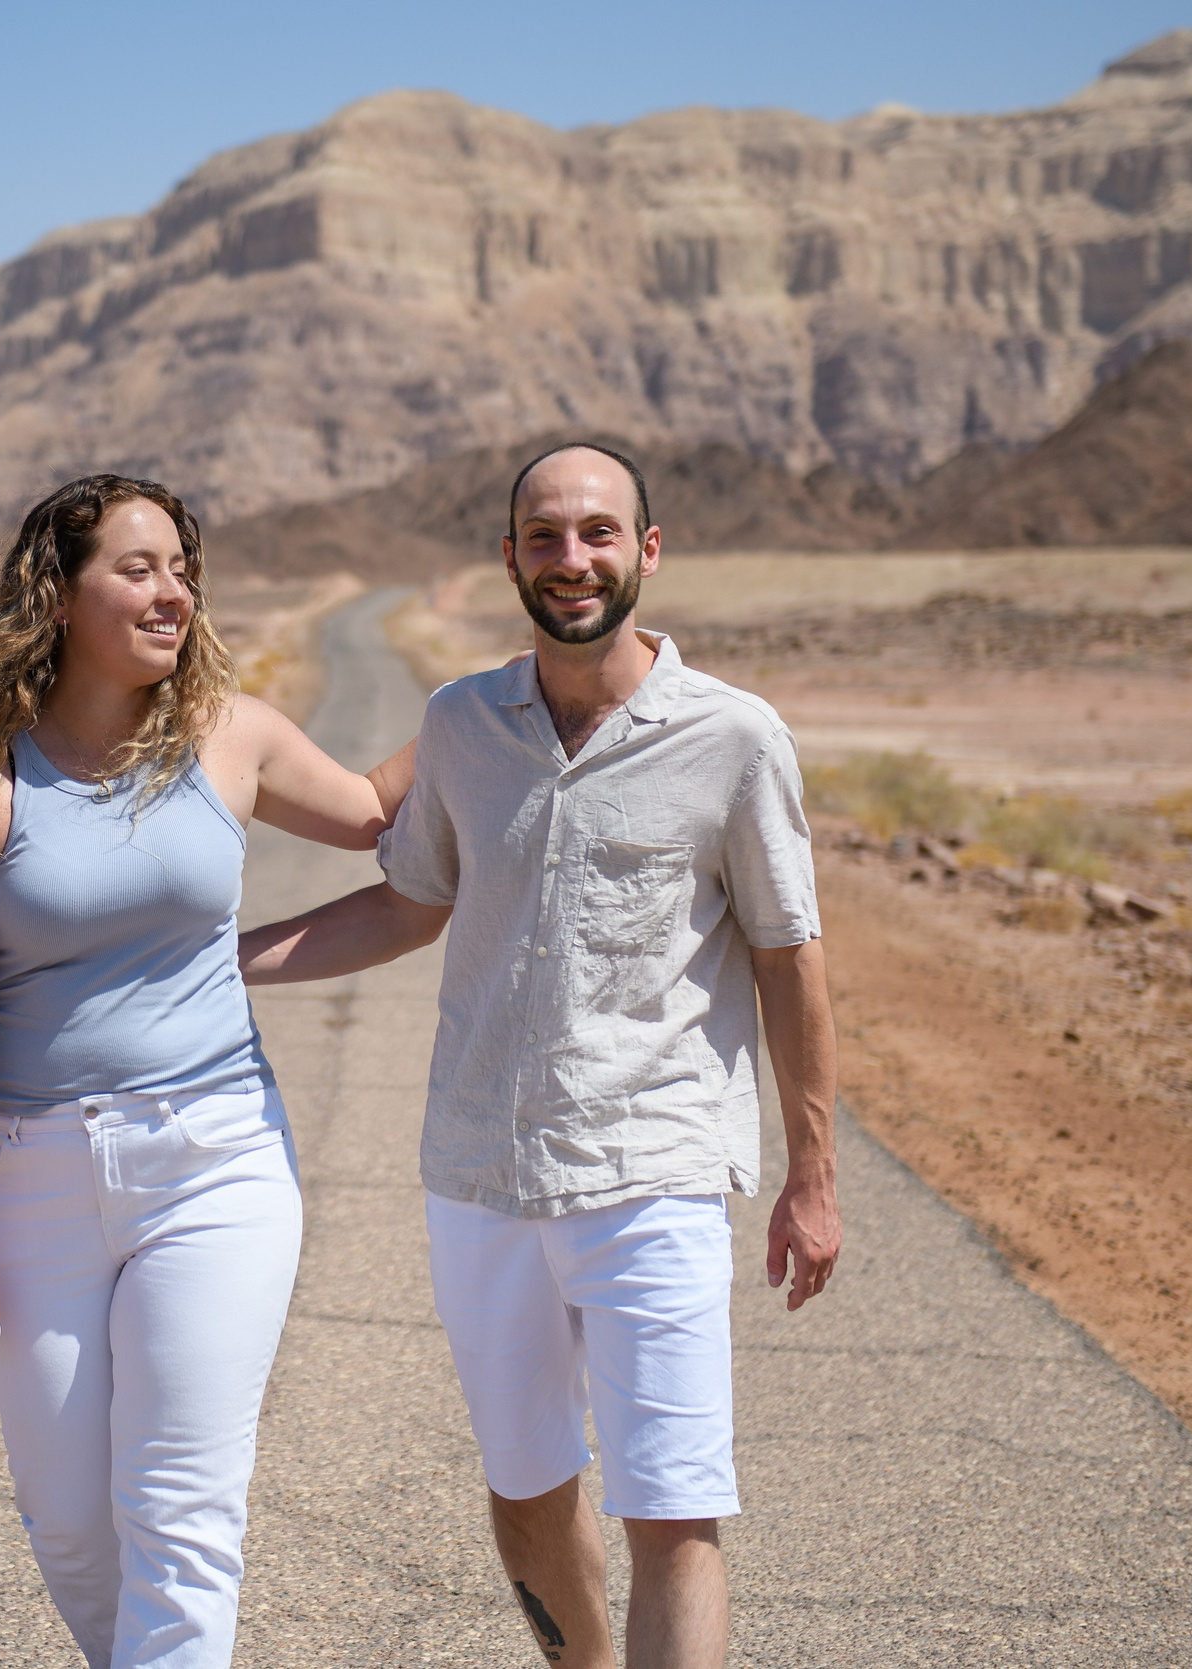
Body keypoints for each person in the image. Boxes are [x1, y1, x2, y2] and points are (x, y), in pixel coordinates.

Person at [234, 442, 843, 1669]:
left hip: (653, 1167)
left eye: (599, 533)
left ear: (647, 551)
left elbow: (787, 952)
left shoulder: (733, 736)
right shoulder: (461, 723)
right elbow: (408, 903)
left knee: (671, 1506)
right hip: (480, 1173)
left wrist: (812, 1175)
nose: (573, 558)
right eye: (547, 536)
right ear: (510, 556)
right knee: (522, 1495)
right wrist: (214, 961)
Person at [0, 472, 413, 1669]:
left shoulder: (232, 734)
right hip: (31, 1177)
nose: (172, 590)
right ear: (56, 595)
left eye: (182, 567)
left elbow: (383, 814)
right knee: (74, 1526)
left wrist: (498, 702)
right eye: (138, 568)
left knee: (180, 1512)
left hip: (216, 1159)